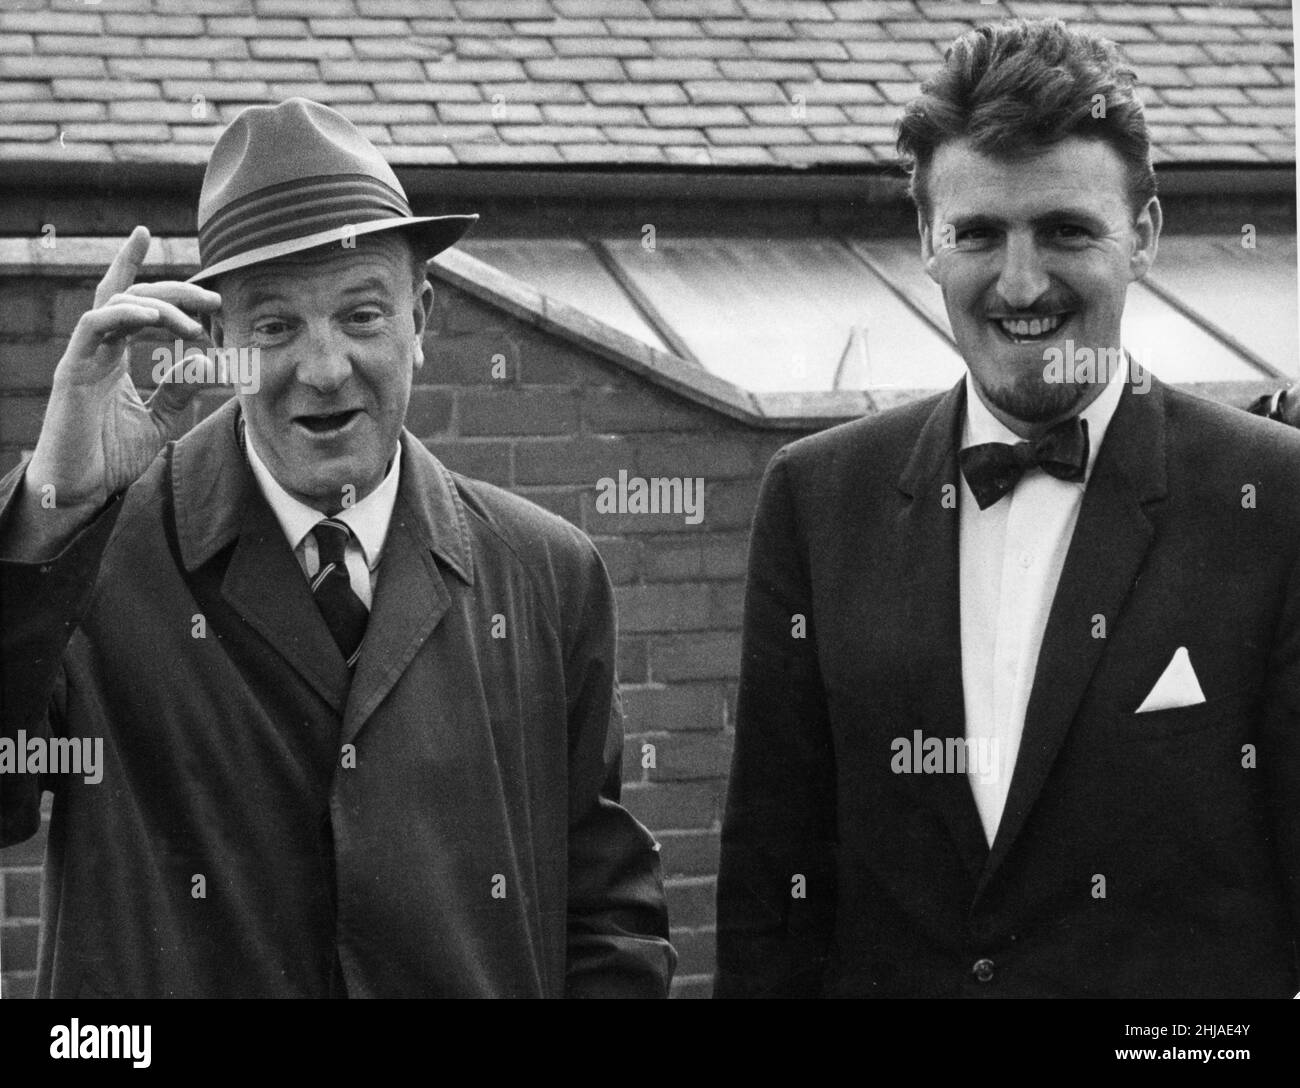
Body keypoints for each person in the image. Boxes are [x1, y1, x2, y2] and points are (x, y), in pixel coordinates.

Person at [0, 98, 674, 998]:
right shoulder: (95, 552)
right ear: (222, 342)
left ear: (421, 318)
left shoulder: (547, 573)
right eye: (275, 326)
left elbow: (607, 915)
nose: (323, 368)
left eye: (362, 316)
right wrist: (54, 505)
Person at [715, 19, 1300, 998]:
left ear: (1144, 234)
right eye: (979, 233)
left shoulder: (1275, 499)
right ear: (925, 242)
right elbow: (771, 893)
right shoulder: (814, 498)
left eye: (1066, 230)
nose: (1021, 282)